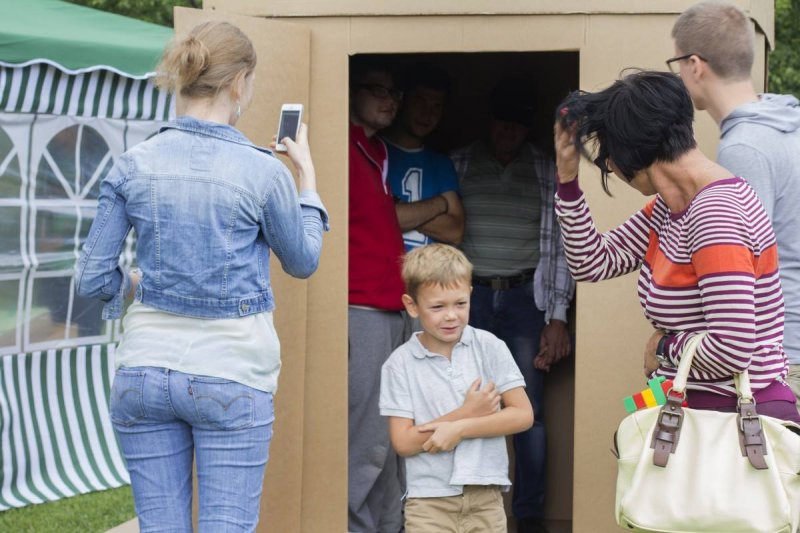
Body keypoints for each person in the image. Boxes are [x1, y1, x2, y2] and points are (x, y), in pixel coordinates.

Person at [75, 21, 328, 531]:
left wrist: (135, 286)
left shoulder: (132, 164)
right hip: (232, 374)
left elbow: (91, 279)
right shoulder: (264, 172)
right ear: (239, 84)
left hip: (142, 373)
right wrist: (308, 182)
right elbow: (302, 262)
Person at [553, 70, 800, 425]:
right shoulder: (671, 209)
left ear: (632, 149)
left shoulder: (715, 214)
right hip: (696, 408)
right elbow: (591, 262)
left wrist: (664, 347)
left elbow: (733, 348)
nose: (609, 164)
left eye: (609, 152)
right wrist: (567, 182)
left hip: (728, 422)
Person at [450, 79, 575, 533]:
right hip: (469, 299)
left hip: (527, 299)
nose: (509, 134)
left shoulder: (545, 169)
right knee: (461, 404)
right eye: (502, 124)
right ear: (490, 123)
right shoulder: (459, 163)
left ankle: (528, 518)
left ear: (527, 129)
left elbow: (562, 246)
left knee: (530, 413)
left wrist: (557, 316)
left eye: (518, 127)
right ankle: (460, 513)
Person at [670, 0, 800, 411]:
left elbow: (739, 269)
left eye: (676, 64)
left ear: (695, 64)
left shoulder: (744, 148)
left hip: (783, 356)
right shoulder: (787, 126)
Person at [380, 243, 534, 533]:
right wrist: (466, 412)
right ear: (412, 305)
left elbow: (523, 415)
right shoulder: (399, 364)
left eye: (460, 304)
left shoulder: (489, 346)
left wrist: (461, 427)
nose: (451, 315)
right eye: (438, 306)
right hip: (428, 503)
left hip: (486, 498)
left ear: (470, 295)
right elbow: (403, 442)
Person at [348, 58, 406, 533]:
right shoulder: (338, 148)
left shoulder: (377, 151)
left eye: (395, 92)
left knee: (391, 437)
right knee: (365, 439)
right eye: (379, 89)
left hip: (392, 308)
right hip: (359, 308)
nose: (391, 100)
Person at [381, 63, 464, 250]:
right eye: (420, 101)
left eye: (436, 106)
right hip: (384, 274)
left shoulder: (441, 163)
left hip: (428, 277)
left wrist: (402, 212)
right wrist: (440, 203)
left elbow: (455, 232)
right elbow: (379, 216)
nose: (428, 113)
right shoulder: (375, 151)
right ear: (402, 101)